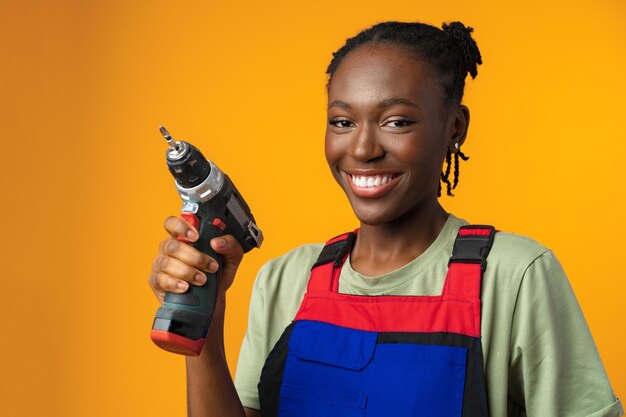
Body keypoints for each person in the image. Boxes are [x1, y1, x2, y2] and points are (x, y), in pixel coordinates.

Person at [148, 21, 623, 417]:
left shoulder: (515, 276)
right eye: (342, 122)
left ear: (454, 127)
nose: (362, 149)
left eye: (396, 121)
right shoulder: (285, 280)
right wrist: (203, 327)